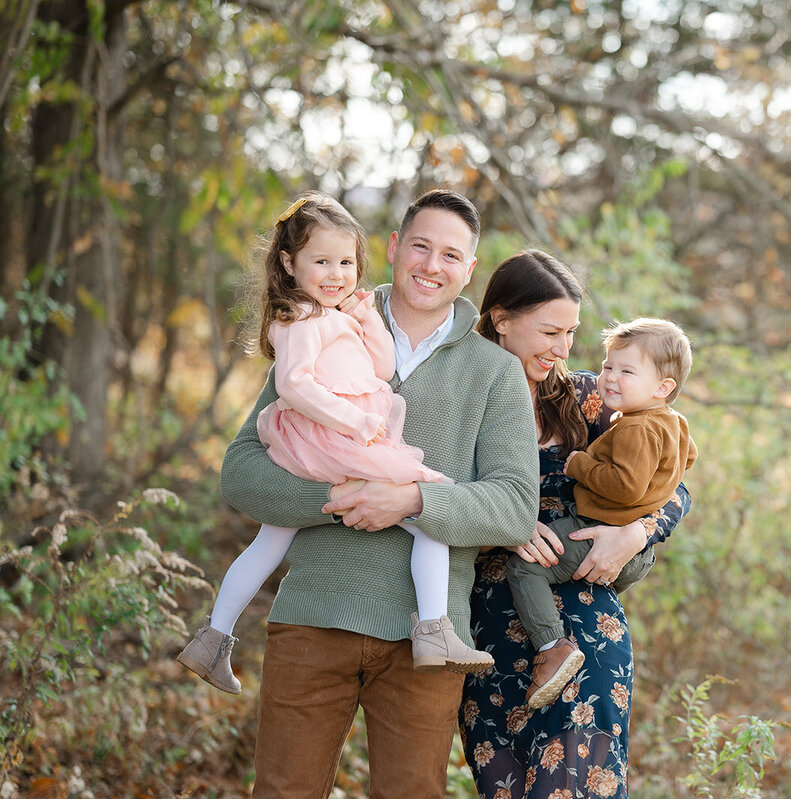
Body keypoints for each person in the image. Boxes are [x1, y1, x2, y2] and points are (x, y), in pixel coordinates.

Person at [219, 189, 538, 798]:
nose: (432, 265)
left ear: (469, 269)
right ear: (393, 248)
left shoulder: (494, 372)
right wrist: (345, 495)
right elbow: (242, 473)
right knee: (283, 791)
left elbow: (516, 506)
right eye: (420, 245)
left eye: (451, 254)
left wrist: (413, 502)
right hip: (315, 615)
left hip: (428, 635)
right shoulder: (317, 324)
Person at [178, 192, 495, 696]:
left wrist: (367, 320)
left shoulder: (334, 315)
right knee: (433, 506)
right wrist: (354, 422)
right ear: (289, 263)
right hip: (332, 438)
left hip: (328, 438)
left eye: (345, 262)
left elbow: (383, 370)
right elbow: (293, 385)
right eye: (320, 261)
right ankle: (434, 630)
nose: (335, 274)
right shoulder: (299, 318)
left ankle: (213, 639)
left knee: (269, 542)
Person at [461, 249, 692, 799]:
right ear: (501, 319)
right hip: (492, 615)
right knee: (508, 784)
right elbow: (432, 494)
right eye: (550, 331)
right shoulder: (461, 396)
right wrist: (507, 526)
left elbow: (673, 483)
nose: (565, 348)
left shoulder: (590, 398)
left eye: (572, 332)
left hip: (587, 616)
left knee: (578, 781)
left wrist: (638, 533)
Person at [508, 317, 698, 708]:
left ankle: (551, 645)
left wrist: (580, 465)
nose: (609, 377)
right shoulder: (671, 423)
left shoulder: (626, 422)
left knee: (524, 568)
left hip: (600, 536)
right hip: (625, 560)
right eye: (608, 365)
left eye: (626, 371)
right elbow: (685, 461)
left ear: (663, 387)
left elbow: (635, 486)